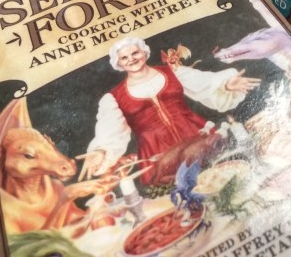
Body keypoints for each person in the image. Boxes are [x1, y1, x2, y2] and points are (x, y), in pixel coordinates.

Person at [78, 36, 260, 185]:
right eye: (124, 57)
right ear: (118, 63)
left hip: (199, 137)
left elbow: (205, 83)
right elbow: (110, 132)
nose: (131, 59)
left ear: (144, 52)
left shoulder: (174, 72)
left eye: (135, 53)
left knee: (222, 181)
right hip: (158, 156)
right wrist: (101, 151)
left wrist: (226, 84)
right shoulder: (114, 98)